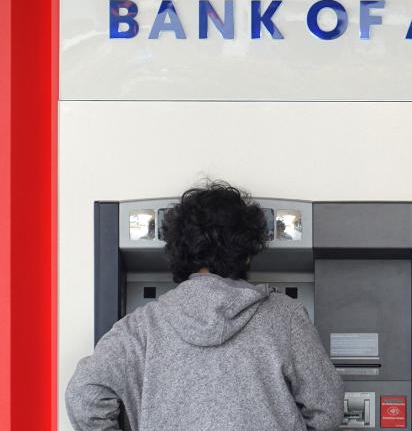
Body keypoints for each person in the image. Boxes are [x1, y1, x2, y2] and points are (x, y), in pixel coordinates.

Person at [66, 182, 344, 430]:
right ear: (246, 254)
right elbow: (327, 409)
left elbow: (84, 396)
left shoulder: (140, 328)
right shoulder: (285, 317)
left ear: (177, 252)